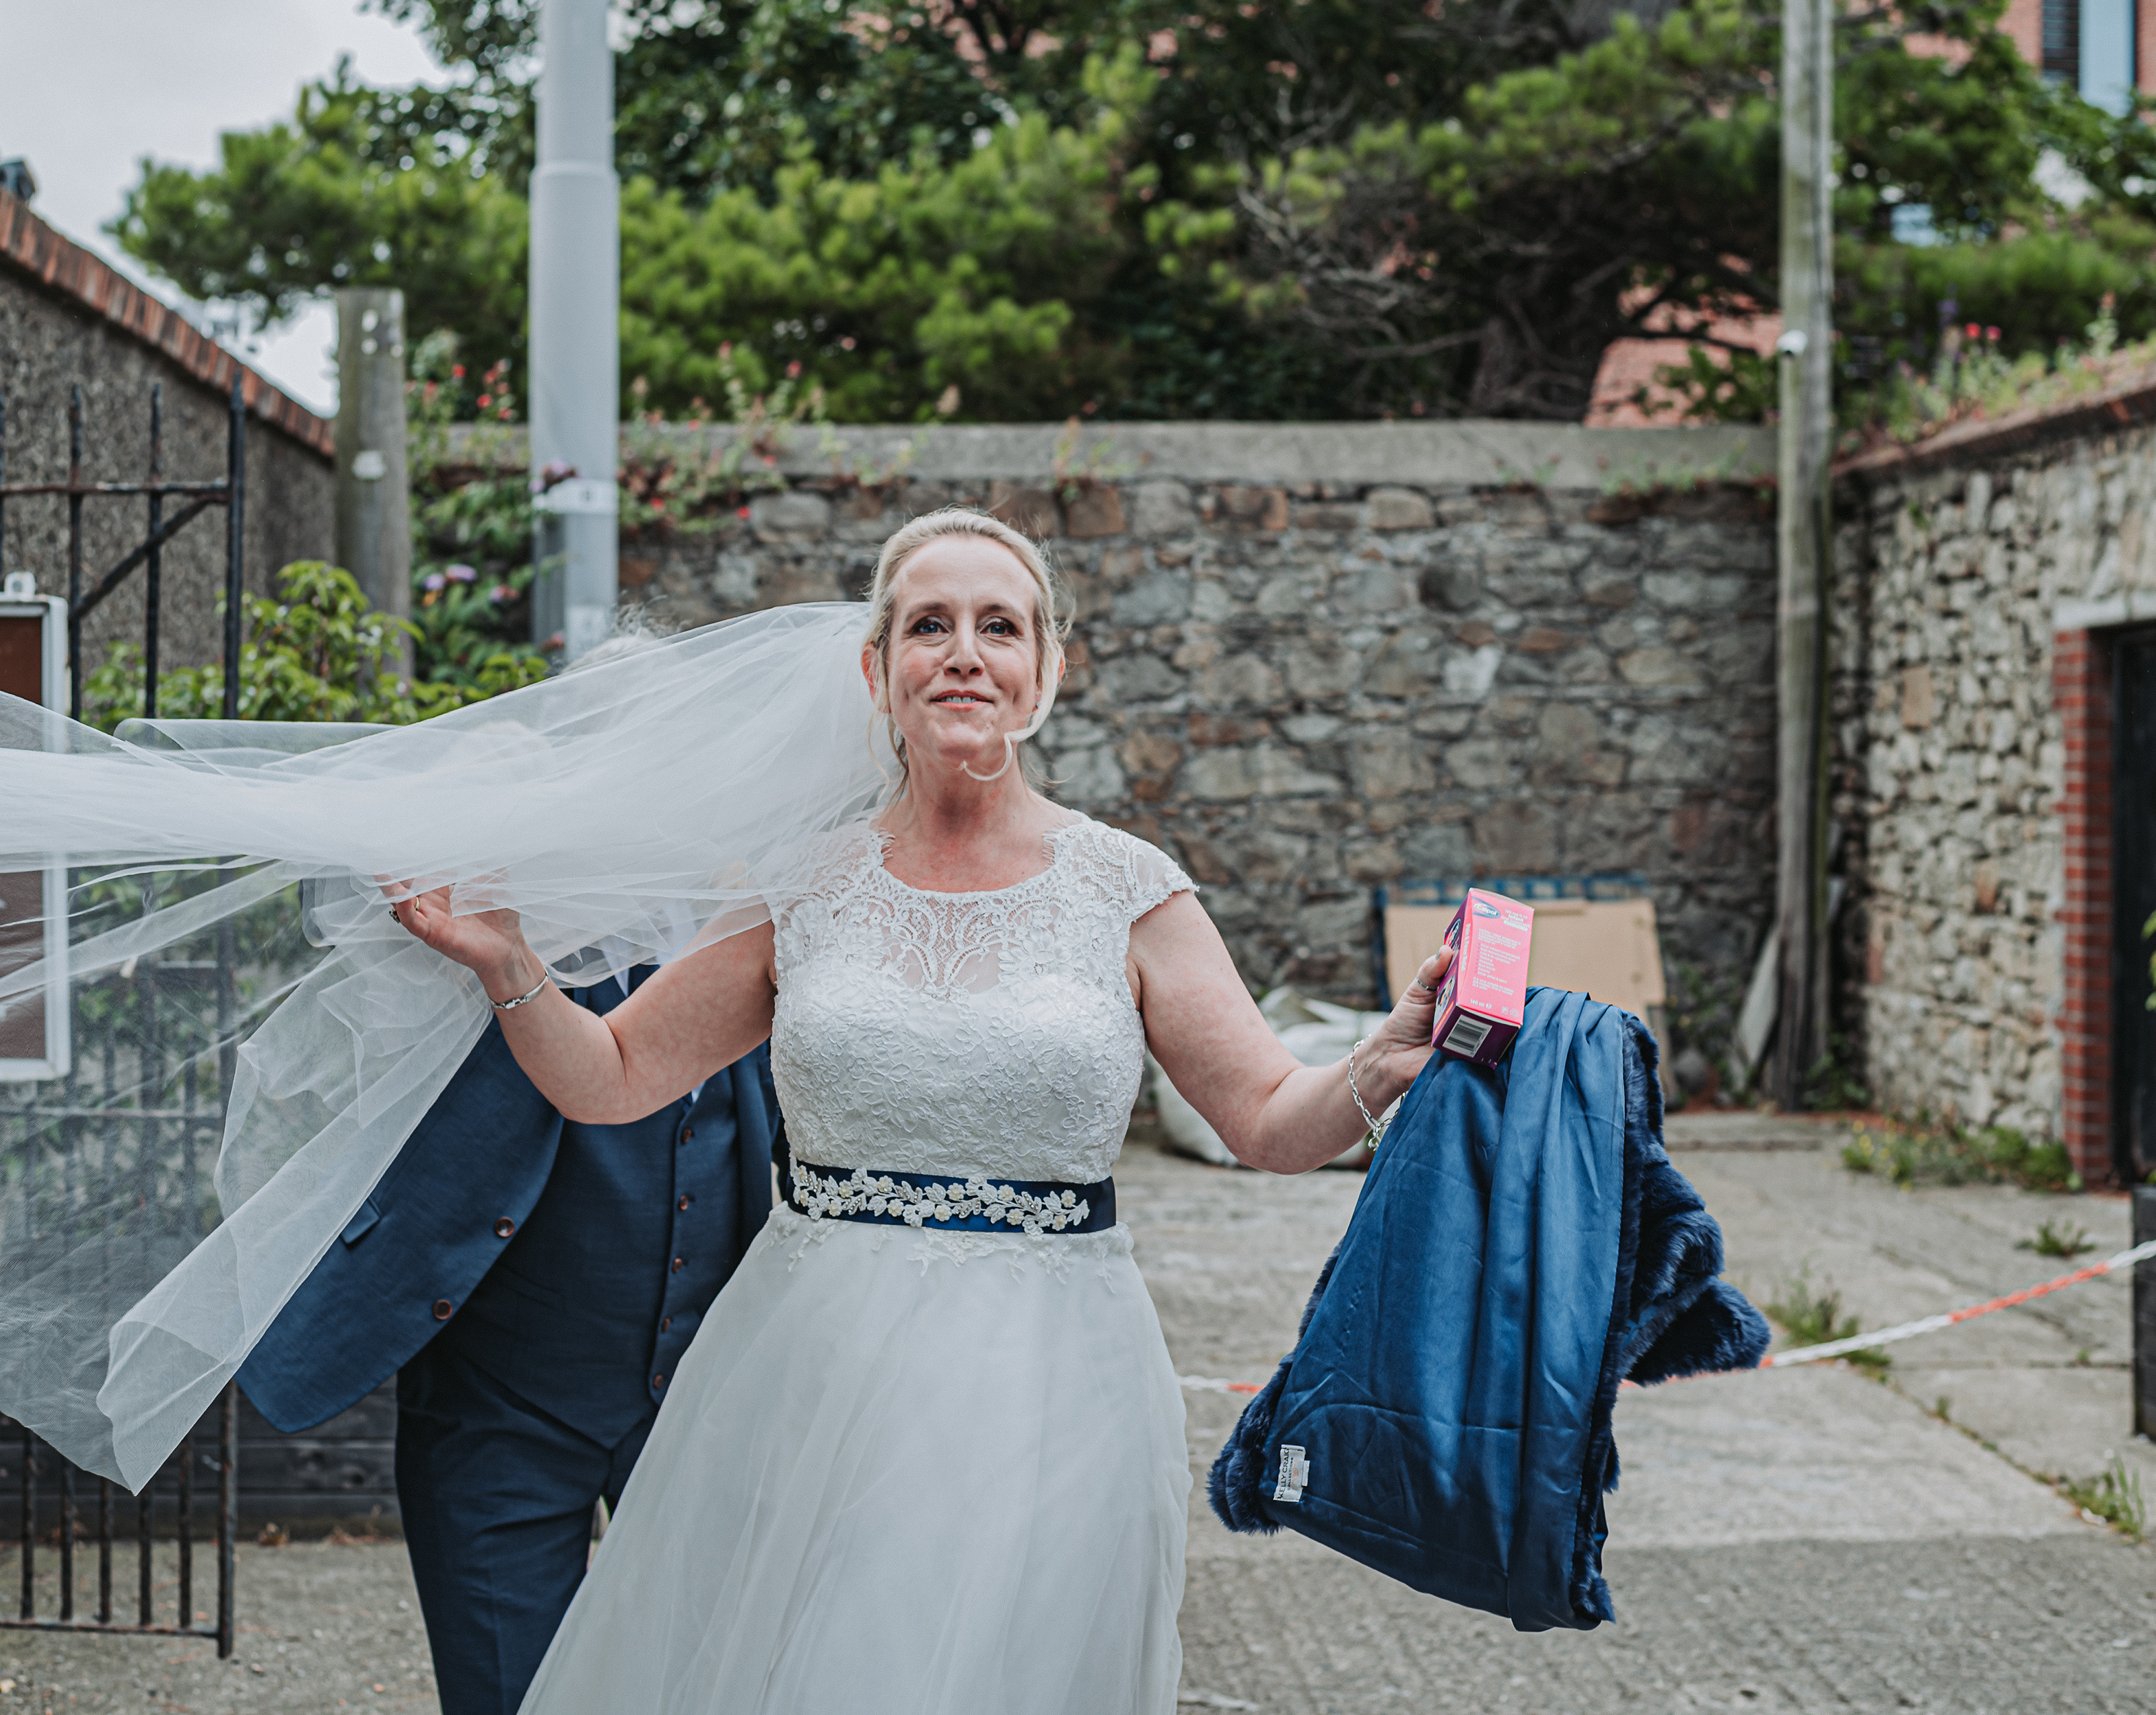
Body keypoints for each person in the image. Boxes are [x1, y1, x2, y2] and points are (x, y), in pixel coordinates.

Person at [386, 507, 1453, 1713]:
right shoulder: (800, 884)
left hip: (1057, 1384)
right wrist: (507, 961)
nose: (963, 655)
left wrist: (1381, 1061)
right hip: (814, 1371)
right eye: (929, 626)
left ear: (1049, 668)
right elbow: (612, 1075)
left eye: (1000, 626)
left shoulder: (1130, 891)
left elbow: (1264, 1119)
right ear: (877, 670)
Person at [234, 973, 782, 1715]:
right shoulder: (482, 913)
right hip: (497, 1410)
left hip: (705, 1414)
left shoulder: (768, 928)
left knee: (703, 1692)